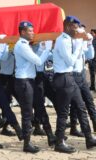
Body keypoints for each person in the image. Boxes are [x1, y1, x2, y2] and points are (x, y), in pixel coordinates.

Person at [53, 16, 96, 153]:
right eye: (75, 27)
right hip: (63, 78)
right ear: (67, 27)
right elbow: (70, 61)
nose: (77, 30)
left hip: (70, 78)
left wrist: (83, 43)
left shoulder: (70, 40)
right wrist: (79, 44)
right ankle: (59, 142)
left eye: (78, 27)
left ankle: (89, 138)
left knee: (81, 108)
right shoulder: (62, 41)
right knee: (64, 112)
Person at [14, 21, 51, 153]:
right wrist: (47, 48)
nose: (33, 33)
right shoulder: (22, 45)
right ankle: (27, 144)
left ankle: (47, 137)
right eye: (30, 31)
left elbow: (35, 58)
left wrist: (41, 48)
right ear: (23, 32)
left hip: (29, 81)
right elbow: (38, 61)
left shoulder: (25, 45)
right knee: (27, 113)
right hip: (24, 82)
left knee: (35, 108)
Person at [70, 27, 96, 137]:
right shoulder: (72, 43)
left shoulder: (81, 44)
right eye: (82, 33)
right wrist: (81, 44)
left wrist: (89, 43)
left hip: (81, 75)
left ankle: (95, 124)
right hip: (73, 76)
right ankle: (74, 127)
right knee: (76, 104)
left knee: (90, 101)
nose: (84, 35)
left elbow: (90, 56)